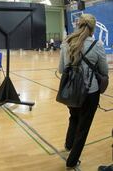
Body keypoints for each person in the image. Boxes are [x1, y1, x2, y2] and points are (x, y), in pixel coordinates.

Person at [58, 14, 108, 168]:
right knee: (83, 127)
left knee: (73, 117)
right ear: (92, 29)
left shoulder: (66, 43)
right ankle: (72, 161)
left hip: (71, 90)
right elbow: (104, 70)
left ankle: (68, 144)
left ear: (78, 25)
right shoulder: (96, 44)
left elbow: (61, 70)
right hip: (90, 92)